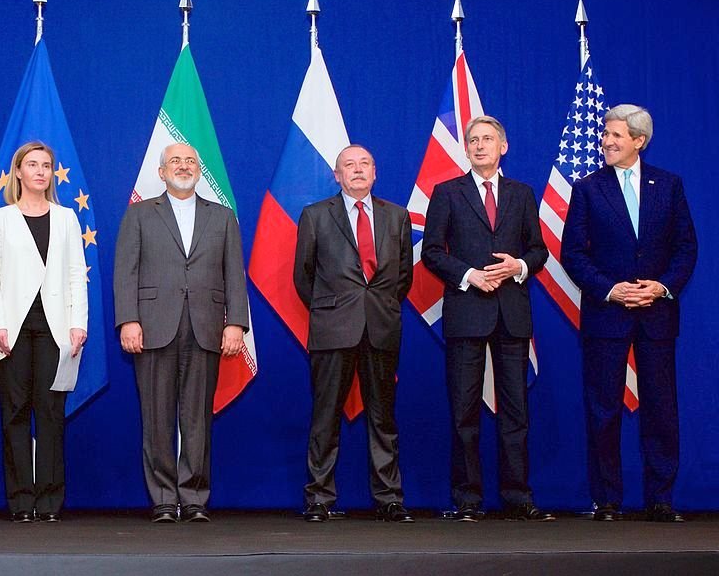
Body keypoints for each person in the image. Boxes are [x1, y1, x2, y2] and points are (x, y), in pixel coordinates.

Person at [561, 104, 697, 523]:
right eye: (606, 134)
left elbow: (685, 248)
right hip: (607, 315)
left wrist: (661, 286)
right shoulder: (587, 188)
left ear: (639, 141)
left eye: (617, 135)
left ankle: (660, 499)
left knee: (660, 408)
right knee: (603, 408)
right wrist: (610, 289)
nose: (607, 141)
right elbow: (573, 253)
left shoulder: (668, 186)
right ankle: (606, 500)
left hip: (656, 315)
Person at [421, 116, 553, 522]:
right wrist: (469, 275)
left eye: (488, 140)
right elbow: (431, 251)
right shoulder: (447, 192)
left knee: (516, 412)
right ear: (465, 149)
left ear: (503, 146)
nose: (480, 146)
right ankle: (467, 499)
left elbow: (539, 250)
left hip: (512, 313)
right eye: (473, 140)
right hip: (466, 313)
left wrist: (517, 265)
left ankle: (518, 496)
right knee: (464, 411)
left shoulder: (522, 194)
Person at [114, 142, 249, 523]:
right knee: (156, 417)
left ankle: (193, 499)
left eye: (191, 160)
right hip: (153, 326)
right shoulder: (139, 214)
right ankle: (162, 499)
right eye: (175, 160)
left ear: (199, 170)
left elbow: (233, 275)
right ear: (161, 172)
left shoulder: (222, 217)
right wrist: (128, 320)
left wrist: (235, 322)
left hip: (206, 328)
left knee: (197, 418)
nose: (184, 166)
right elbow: (126, 271)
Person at [293, 144, 414, 523]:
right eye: (349, 165)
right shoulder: (315, 216)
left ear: (375, 173)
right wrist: (335, 308)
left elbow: (403, 277)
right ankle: (319, 498)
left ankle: (389, 498)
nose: (357, 170)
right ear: (337, 175)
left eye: (364, 165)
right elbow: (303, 277)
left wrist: (377, 308)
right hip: (332, 329)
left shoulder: (397, 216)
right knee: (325, 417)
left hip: (381, 327)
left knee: (383, 418)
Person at [0, 141, 88, 523]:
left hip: (55, 330)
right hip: (12, 330)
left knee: (51, 414)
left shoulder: (67, 218)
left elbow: (78, 272)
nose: (41, 171)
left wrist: (79, 323)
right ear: (19, 172)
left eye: (47, 165)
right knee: (14, 414)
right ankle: (21, 500)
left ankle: (49, 500)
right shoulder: (1, 218)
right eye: (33, 165)